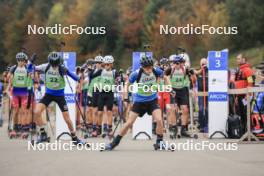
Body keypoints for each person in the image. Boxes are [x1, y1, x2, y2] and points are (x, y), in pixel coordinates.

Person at [104, 55, 169, 151]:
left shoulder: (156, 70)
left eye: (150, 67)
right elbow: (127, 84)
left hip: (152, 100)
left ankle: (159, 142)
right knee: (129, 123)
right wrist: (125, 97)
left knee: (159, 120)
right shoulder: (136, 73)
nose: (149, 69)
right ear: (142, 67)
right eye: (147, 68)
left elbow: (166, 77)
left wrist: (169, 87)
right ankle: (114, 143)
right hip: (140, 101)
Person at [30, 52, 85, 145]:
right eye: (53, 64)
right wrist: (31, 62)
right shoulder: (45, 66)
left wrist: (74, 76)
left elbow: (75, 78)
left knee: (67, 118)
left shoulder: (62, 68)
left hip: (60, 96)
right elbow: (30, 69)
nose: (54, 66)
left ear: (59, 63)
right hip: (48, 94)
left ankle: (75, 138)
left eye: (56, 64)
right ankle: (43, 134)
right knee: (36, 112)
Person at [7, 52, 31, 137]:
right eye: (19, 60)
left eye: (22, 60)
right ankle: (15, 128)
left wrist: (30, 78)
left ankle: (24, 129)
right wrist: (9, 77)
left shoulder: (27, 68)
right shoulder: (14, 68)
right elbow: (8, 76)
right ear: (17, 61)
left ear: (24, 61)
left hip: (24, 91)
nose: (20, 62)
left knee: (23, 111)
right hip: (15, 91)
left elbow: (31, 78)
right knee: (16, 111)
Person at [93, 55, 118, 138]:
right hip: (101, 93)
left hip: (110, 93)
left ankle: (110, 129)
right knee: (99, 112)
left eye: (108, 64)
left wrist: (118, 80)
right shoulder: (101, 71)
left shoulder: (114, 72)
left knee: (109, 112)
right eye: (105, 64)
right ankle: (98, 129)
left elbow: (119, 80)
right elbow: (92, 75)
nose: (107, 66)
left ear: (111, 64)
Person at [234, 54, 254, 134]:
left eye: (238, 59)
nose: (237, 60)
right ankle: (243, 132)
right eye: (237, 59)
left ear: (243, 59)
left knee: (246, 114)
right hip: (239, 95)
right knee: (241, 114)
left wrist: (247, 95)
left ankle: (248, 132)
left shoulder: (247, 70)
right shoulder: (239, 70)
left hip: (245, 96)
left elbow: (250, 82)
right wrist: (236, 96)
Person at [88, 55, 103, 137]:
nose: (98, 64)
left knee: (100, 112)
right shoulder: (92, 71)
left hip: (101, 91)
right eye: (96, 63)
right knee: (94, 111)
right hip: (93, 91)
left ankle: (99, 128)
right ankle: (94, 128)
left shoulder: (103, 71)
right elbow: (90, 78)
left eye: (100, 63)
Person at [194, 58, 208, 132]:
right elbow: (194, 73)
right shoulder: (198, 71)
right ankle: (201, 126)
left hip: (208, 93)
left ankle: (207, 125)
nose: (203, 65)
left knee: (207, 109)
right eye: (202, 64)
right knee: (201, 109)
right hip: (200, 93)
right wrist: (201, 69)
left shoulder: (209, 71)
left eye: (205, 63)